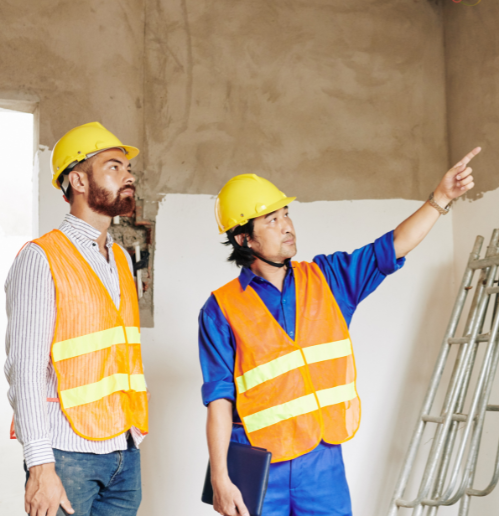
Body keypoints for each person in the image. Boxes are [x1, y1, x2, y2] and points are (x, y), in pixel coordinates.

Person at [199, 147, 481, 516]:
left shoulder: (328, 279)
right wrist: (220, 477)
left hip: (322, 463)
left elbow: (392, 246)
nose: (287, 225)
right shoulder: (220, 309)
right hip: (259, 464)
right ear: (244, 239)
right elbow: (219, 398)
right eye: (271, 219)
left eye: (286, 214)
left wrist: (440, 198)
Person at [5, 122, 149, 516]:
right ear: (78, 181)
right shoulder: (41, 257)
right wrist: (40, 466)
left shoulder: (119, 258)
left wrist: (131, 439)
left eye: (128, 169)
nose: (129, 176)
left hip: (124, 449)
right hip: (67, 453)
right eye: (114, 167)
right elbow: (26, 368)